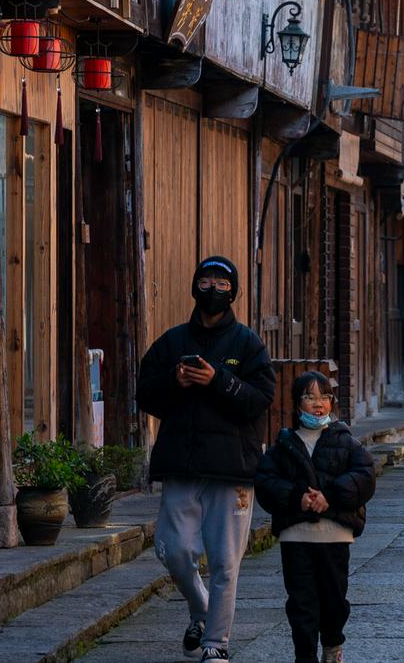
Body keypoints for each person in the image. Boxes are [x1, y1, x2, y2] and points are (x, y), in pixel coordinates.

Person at [136, 256, 278, 661]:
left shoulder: (248, 344)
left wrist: (220, 381)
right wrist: (175, 382)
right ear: (194, 285)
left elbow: (259, 401)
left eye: (222, 282)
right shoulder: (172, 341)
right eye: (206, 280)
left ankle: (216, 643)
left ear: (233, 292)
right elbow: (144, 394)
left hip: (233, 468)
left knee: (225, 562)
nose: (213, 288)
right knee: (172, 549)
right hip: (180, 463)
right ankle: (199, 607)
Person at [254, 371, 377, 663]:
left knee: (334, 599)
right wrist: (297, 497)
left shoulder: (345, 440)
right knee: (301, 601)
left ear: (332, 403)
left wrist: (329, 497)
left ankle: (332, 645)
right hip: (296, 536)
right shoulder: (284, 445)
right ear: (298, 404)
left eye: (324, 397)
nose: (317, 403)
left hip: (334, 534)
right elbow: (266, 482)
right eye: (309, 397)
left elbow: (365, 476)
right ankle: (304, 656)